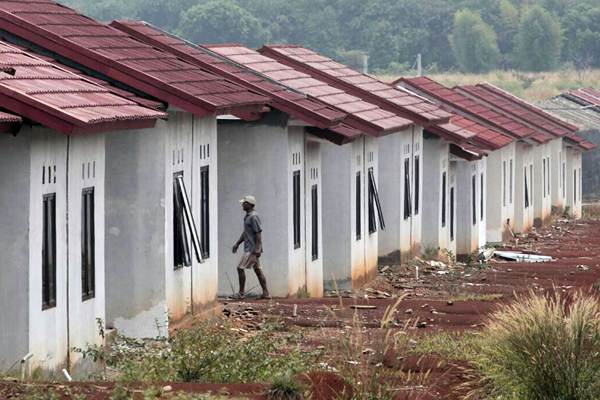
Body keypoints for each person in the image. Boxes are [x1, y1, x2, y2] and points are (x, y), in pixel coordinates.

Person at [232, 195, 270, 299]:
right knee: (257, 270)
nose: (242, 205)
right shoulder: (248, 217)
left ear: (250, 204)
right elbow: (246, 233)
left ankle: (241, 293)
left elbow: (258, 233)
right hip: (251, 248)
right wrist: (237, 244)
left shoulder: (253, 217)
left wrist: (257, 248)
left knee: (240, 268)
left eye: (244, 203)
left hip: (252, 249)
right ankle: (266, 293)